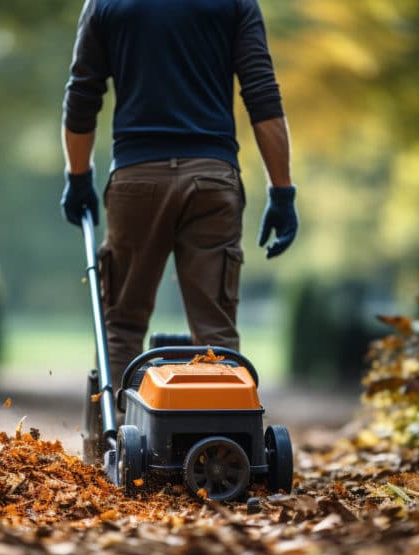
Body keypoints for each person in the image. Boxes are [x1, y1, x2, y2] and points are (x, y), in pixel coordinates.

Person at [61, 0, 297, 385]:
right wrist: (282, 191)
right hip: (212, 179)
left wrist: (78, 176)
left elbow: (82, 95)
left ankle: (116, 436)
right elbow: (262, 95)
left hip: (136, 180)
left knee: (120, 325)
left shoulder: (105, 4)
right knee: (216, 332)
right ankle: (218, 441)